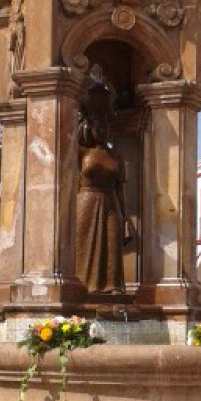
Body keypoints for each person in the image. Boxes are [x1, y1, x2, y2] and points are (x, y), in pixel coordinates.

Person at [75, 82, 131, 294]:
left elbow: (120, 189)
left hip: (111, 202)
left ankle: (112, 287)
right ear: (89, 127)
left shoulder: (115, 156)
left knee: (112, 244)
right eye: (98, 126)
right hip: (86, 200)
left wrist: (125, 217)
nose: (103, 129)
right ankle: (85, 287)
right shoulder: (81, 151)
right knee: (86, 246)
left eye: (106, 126)